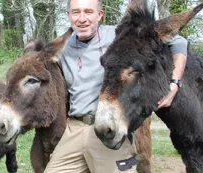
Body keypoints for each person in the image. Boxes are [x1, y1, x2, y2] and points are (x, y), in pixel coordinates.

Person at [43, 0, 188, 172]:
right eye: (76, 12)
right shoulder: (62, 48)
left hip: (108, 128)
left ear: (100, 15)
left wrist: (175, 82)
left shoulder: (120, 36)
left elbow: (178, 42)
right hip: (74, 129)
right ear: (68, 16)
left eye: (88, 12)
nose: (82, 19)